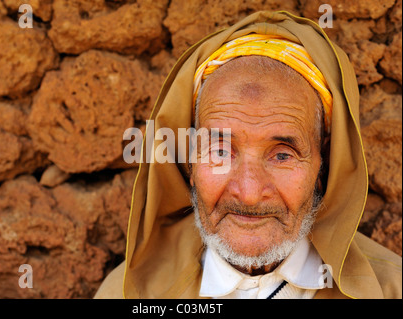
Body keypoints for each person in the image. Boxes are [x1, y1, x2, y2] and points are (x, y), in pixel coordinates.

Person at [94, 10, 402, 299]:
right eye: (220, 152)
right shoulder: (125, 294)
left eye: (282, 156)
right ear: (189, 162)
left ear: (323, 165)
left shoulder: (390, 289)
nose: (250, 194)